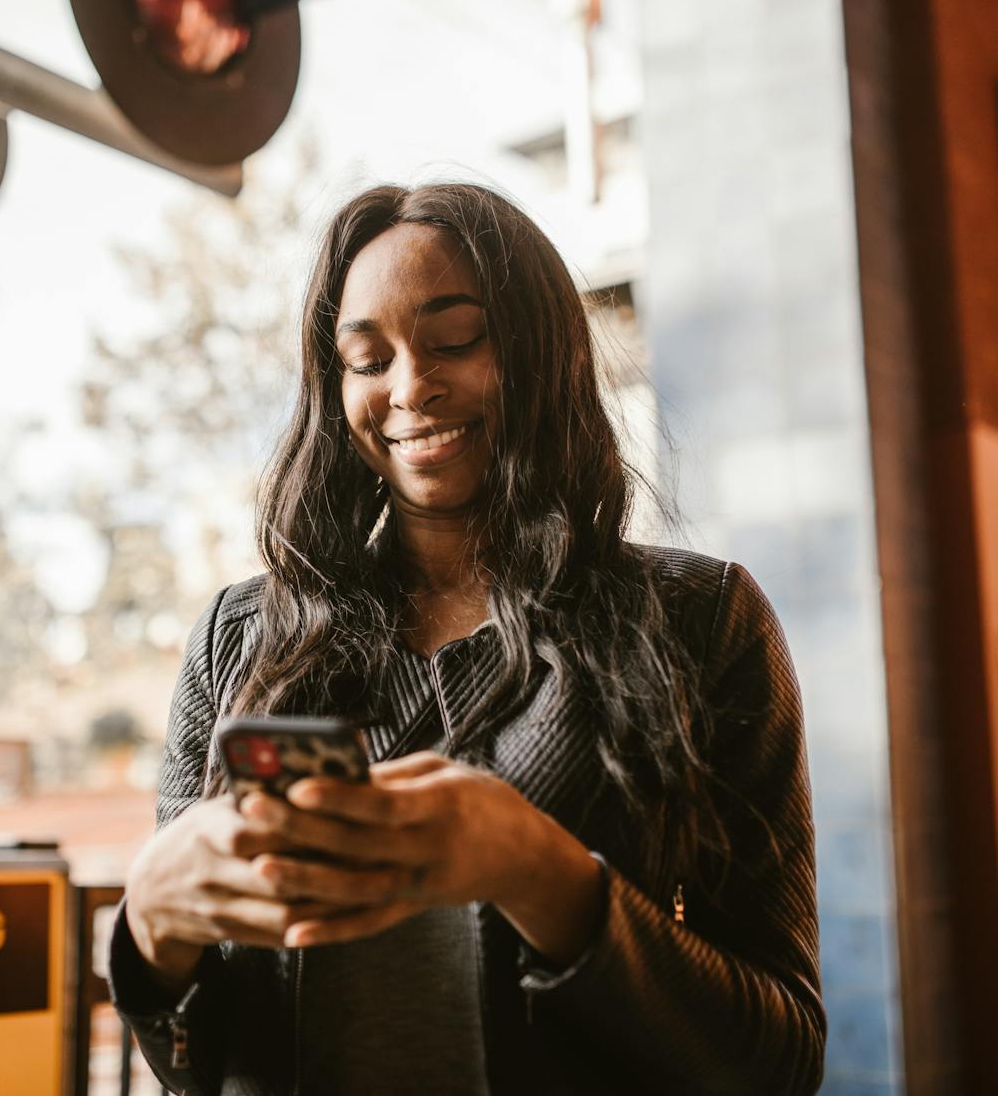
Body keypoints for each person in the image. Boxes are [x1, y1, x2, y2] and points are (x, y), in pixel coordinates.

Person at [107, 182, 824, 1094]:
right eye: (368, 359)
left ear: (540, 349)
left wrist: (538, 870)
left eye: (453, 340)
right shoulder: (239, 639)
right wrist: (149, 927)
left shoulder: (700, 618)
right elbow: (190, 1065)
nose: (411, 387)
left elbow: (782, 1057)